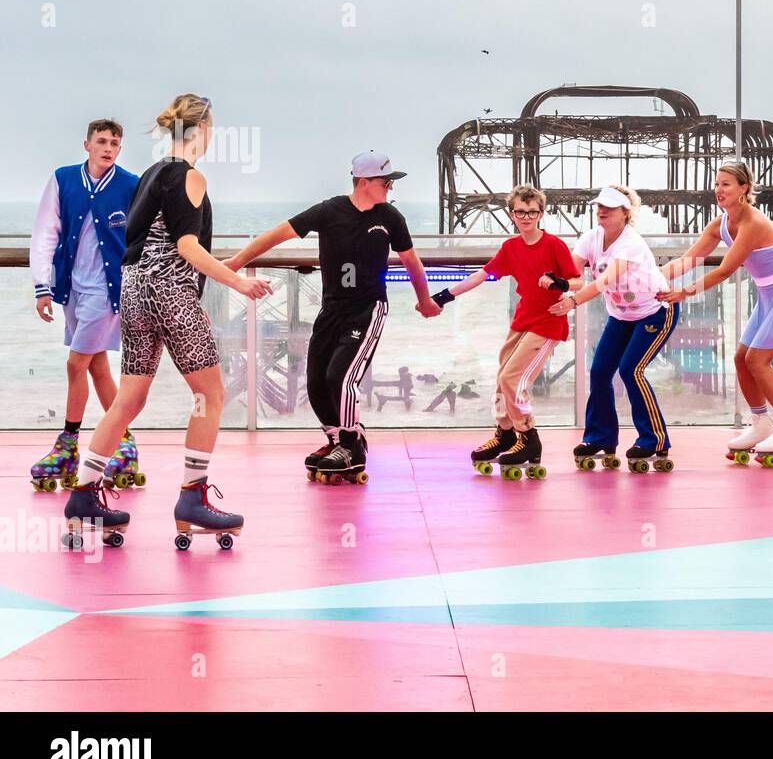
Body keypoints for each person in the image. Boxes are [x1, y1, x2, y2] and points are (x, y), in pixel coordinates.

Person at [61, 94, 273, 550]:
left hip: (133, 289)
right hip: (170, 292)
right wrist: (238, 282)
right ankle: (193, 499)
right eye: (212, 128)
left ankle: (82, 496)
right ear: (202, 130)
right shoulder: (188, 176)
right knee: (210, 394)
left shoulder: (150, 175)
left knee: (129, 399)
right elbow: (186, 247)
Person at [224, 151, 439, 483]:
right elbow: (275, 235)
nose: (390, 188)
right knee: (315, 381)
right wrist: (236, 264)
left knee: (342, 377)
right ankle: (336, 439)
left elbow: (412, 262)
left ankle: (352, 447)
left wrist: (424, 300)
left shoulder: (390, 217)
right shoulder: (328, 210)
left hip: (368, 309)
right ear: (364, 183)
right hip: (331, 310)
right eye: (386, 182)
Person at [658, 162, 773, 465]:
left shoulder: (754, 223)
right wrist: (654, 278)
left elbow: (723, 271)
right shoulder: (719, 223)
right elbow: (689, 259)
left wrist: (683, 292)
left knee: (757, 360)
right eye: (717, 184)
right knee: (741, 359)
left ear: (744, 188)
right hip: (769, 295)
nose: (718, 190)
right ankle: (761, 424)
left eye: (726, 185)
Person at [432, 184, 578, 479]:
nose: (526, 217)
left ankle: (529, 437)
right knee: (502, 376)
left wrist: (559, 284)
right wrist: (446, 295)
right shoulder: (511, 248)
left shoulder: (554, 245)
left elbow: (576, 280)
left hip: (548, 322)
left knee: (513, 378)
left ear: (541, 213)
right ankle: (506, 433)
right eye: (520, 212)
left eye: (532, 212)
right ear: (512, 214)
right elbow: (482, 275)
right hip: (522, 319)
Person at [29, 119, 141, 490]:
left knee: (76, 363)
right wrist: (42, 285)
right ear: (87, 144)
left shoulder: (130, 185)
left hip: (109, 293)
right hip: (73, 289)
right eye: (102, 141)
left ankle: (68, 444)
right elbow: (46, 231)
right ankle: (123, 443)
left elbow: (146, 237)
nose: (108, 148)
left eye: (115, 143)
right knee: (97, 367)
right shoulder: (64, 179)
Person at [549, 185, 679, 471]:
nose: (602, 211)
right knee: (599, 372)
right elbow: (572, 274)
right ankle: (600, 438)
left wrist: (572, 302)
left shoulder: (630, 242)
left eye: (609, 206)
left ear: (626, 212)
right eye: (599, 206)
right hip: (621, 316)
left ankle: (654, 439)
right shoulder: (590, 239)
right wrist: (556, 282)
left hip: (655, 312)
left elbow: (604, 281)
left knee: (631, 370)